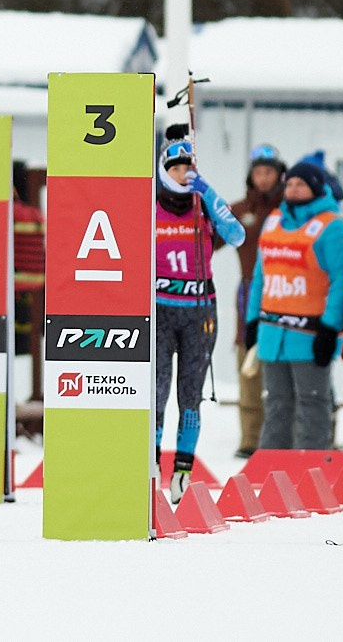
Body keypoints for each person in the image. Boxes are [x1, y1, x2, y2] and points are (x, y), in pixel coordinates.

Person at [243, 157, 343, 456]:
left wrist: (331, 327)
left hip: (310, 334)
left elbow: (342, 280)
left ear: (315, 188)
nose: (291, 188)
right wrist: (251, 321)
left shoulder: (332, 226)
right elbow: (260, 276)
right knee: (276, 403)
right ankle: (270, 467)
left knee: (312, 403)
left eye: (299, 184)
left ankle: (311, 467)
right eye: (289, 182)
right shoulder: (274, 219)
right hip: (272, 332)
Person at [154, 135, 242, 501]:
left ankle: (183, 473)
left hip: (199, 312)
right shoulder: (151, 205)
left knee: (190, 396)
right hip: (159, 312)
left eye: (186, 168)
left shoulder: (202, 204)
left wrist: (208, 193)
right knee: (156, 394)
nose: (181, 174)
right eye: (174, 168)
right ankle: (151, 465)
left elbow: (237, 235)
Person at [230, 145, 285, 456]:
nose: (264, 178)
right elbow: (208, 242)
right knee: (248, 368)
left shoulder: (290, 209)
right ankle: (250, 439)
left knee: (287, 370)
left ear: (279, 173)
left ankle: (283, 437)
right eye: (258, 172)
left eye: (269, 172)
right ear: (251, 176)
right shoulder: (238, 211)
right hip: (248, 297)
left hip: (286, 297)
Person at [12, 161, 46, 401]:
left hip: (11, 289)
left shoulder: (10, 213)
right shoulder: (36, 215)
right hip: (36, 289)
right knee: (29, 344)